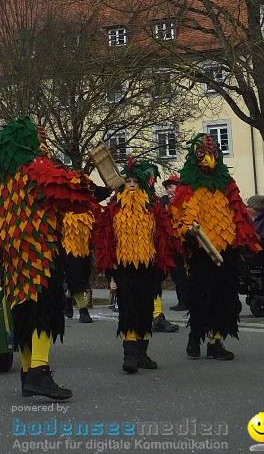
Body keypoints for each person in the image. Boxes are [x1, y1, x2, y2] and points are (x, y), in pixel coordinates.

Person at [0, 118, 96, 401]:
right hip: (40, 257)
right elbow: (69, 190)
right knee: (45, 310)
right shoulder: (34, 172)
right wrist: (92, 186)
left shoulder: (0, 187)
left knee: (23, 314)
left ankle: (27, 373)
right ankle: (39, 373)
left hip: (13, 264)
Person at [170, 133, 260, 361]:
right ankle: (195, 335)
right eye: (202, 154)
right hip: (202, 250)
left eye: (213, 154)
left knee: (226, 296)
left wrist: (244, 240)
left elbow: (238, 214)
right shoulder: (187, 187)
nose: (209, 159)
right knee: (202, 296)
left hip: (226, 249)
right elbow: (181, 217)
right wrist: (189, 234)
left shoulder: (227, 186)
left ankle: (215, 341)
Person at [93, 158, 175, 374]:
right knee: (128, 309)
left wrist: (162, 265)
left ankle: (142, 353)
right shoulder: (114, 208)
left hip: (148, 266)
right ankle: (129, 355)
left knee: (146, 308)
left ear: (141, 184)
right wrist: (110, 271)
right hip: (124, 266)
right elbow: (105, 240)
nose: (131, 184)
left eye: (135, 181)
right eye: (127, 181)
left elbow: (162, 237)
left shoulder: (153, 207)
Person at [159, 176, 190, 311]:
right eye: (167, 188)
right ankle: (183, 300)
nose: (169, 190)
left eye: (171, 187)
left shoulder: (180, 199)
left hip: (180, 243)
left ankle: (185, 301)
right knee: (176, 273)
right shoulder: (173, 199)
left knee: (179, 273)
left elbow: (166, 210)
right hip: (172, 243)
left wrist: (164, 197)